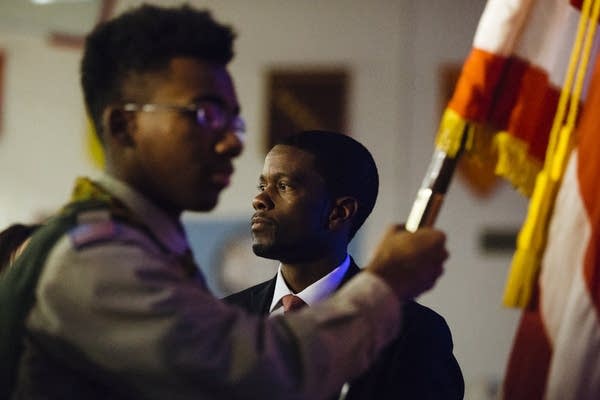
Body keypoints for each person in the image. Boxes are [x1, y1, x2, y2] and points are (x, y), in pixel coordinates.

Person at [5, 5, 449, 399]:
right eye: (204, 114)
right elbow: (259, 379)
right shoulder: (97, 260)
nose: (232, 142)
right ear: (124, 126)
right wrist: (387, 285)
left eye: (232, 118)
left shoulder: (144, 248)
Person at [225, 130, 464, 399]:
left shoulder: (413, 333)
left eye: (284, 186)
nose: (260, 199)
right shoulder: (227, 318)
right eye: (262, 186)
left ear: (339, 212)